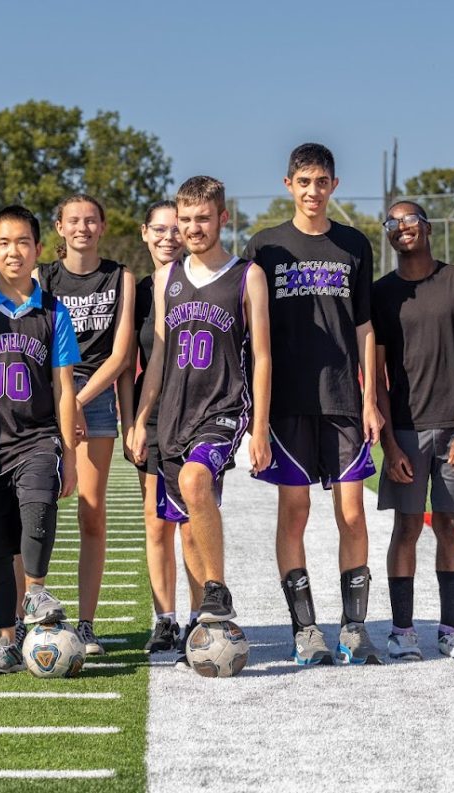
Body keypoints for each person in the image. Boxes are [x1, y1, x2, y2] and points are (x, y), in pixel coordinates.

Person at [245, 143, 384, 666]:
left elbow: (365, 327)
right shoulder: (266, 246)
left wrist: (370, 398)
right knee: (295, 510)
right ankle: (306, 630)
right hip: (287, 402)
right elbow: (254, 333)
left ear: (334, 186)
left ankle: (354, 629)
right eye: (303, 181)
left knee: (352, 512)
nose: (312, 191)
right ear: (289, 186)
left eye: (321, 181)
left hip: (344, 399)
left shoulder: (353, 244)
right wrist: (256, 418)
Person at [131, 176, 271, 664]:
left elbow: (264, 356)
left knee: (196, 480)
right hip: (173, 414)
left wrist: (260, 426)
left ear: (222, 218)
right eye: (185, 219)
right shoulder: (167, 279)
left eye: (202, 218)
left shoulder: (247, 275)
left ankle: (217, 590)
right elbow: (160, 358)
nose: (192, 228)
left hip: (223, 407)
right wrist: (141, 417)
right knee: (187, 525)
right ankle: (200, 623)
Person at [0, 205, 81, 673]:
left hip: (36, 438)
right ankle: (5, 641)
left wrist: (68, 451)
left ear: (38, 250)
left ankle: (34, 592)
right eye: (4, 243)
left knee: (39, 506)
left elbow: (66, 388)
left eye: (23, 242)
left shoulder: (54, 311)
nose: (14, 251)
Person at [372, 202, 454, 661]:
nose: (402, 228)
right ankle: (403, 631)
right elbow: (376, 374)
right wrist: (388, 440)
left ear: (428, 226)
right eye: (393, 223)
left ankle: (451, 631)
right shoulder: (381, 294)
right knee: (405, 527)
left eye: (410, 219)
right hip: (405, 428)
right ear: (388, 234)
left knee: (450, 525)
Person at [36, 195, 135, 655]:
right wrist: (61, 402)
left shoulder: (121, 277)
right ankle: (28, 617)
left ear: (103, 225)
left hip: (92, 397)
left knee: (91, 512)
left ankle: (87, 624)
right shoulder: (43, 278)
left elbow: (119, 356)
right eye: (73, 220)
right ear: (59, 227)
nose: (82, 227)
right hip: (46, 392)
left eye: (90, 219)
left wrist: (75, 402)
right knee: (36, 507)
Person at [117, 200, 196, 654]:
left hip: (198, 411)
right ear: (144, 232)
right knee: (156, 522)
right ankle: (164, 620)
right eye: (159, 230)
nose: (169, 238)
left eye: (176, 229)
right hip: (154, 413)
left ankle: (198, 615)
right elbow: (128, 365)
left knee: (192, 520)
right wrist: (133, 423)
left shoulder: (204, 281)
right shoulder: (140, 290)